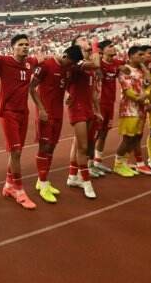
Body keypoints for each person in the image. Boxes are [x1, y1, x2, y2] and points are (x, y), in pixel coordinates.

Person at [29, 45, 83, 203]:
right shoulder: (46, 65)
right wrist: (41, 110)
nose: (71, 66)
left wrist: (69, 94)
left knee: (52, 146)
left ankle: (41, 180)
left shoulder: (68, 69)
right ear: (65, 56)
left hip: (58, 113)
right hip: (46, 114)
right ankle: (44, 183)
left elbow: (64, 85)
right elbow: (32, 88)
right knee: (44, 147)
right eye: (70, 63)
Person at [0, 34, 40, 210]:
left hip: (23, 112)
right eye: (20, 45)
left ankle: (8, 185)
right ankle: (19, 190)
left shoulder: (31, 62)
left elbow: (42, 60)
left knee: (16, 152)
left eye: (27, 44)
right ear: (12, 47)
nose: (25, 47)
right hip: (8, 112)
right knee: (16, 151)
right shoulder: (3, 60)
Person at [66, 35, 101, 199]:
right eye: (83, 42)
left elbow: (93, 91)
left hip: (87, 107)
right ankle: (86, 181)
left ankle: (73, 176)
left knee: (78, 143)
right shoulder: (78, 63)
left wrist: (97, 109)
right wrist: (94, 45)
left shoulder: (86, 67)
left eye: (87, 41)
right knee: (83, 147)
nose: (86, 43)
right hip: (78, 108)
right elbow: (95, 64)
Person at [113, 46, 151, 177]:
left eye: (143, 55)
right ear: (131, 56)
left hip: (141, 109)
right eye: (140, 55)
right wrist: (140, 98)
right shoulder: (125, 69)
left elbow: (149, 84)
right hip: (129, 109)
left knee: (136, 137)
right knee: (128, 138)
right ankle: (118, 165)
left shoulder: (142, 70)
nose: (143, 57)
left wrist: (146, 94)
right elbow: (126, 89)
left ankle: (124, 162)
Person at [94, 40, 126, 173]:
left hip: (110, 103)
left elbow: (128, 72)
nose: (114, 48)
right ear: (102, 50)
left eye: (114, 45)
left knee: (104, 133)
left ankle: (97, 161)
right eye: (110, 46)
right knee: (94, 134)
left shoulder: (117, 64)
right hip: (98, 104)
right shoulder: (98, 64)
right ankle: (88, 164)